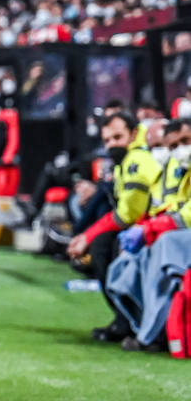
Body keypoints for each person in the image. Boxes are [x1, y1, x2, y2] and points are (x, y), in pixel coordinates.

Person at [67, 111, 160, 342]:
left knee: (101, 246)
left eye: (118, 137)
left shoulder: (137, 160)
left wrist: (87, 236)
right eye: (107, 140)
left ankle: (127, 321)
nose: (112, 145)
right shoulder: (125, 162)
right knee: (101, 243)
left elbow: (130, 214)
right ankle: (124, 319)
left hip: (154, 225)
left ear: (134, 134)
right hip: (146, 225)